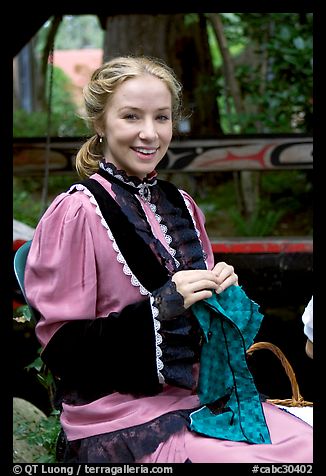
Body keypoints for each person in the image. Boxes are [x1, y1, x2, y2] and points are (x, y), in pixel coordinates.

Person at [24, 56, 313, 463]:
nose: (149, 133)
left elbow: (204, 331)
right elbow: (63, 352)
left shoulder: (181, 205)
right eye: (130, 116)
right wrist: (161, 305)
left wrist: (219, 292)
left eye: (161, 118)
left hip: (200, 400)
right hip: (120, 418)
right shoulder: (78, 212)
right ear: (100, 124)